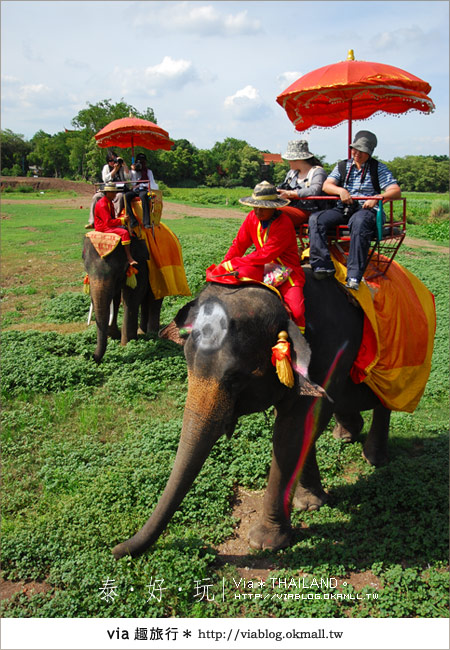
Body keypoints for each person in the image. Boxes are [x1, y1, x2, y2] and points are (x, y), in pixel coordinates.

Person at [308, 130, 401, 290]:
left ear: (369, 153)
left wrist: (377, 198)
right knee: (316, 219)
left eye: (362, 151)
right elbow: (327, 185)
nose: (357, 153)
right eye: (354, 149)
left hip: (366, 211)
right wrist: (341, 191)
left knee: (358, 222)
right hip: (344, 208)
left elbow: (395, 191)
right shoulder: (343, 166)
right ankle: (322, 265)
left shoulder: (378, 168)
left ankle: (354, 276)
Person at [216, 181, 306, 333]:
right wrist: (224, 264)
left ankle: (297, 343)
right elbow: (239, 244)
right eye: (255, 206)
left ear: (273, 207)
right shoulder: (252, 217)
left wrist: (235, 263)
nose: (257, 211)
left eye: (262, 208)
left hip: (287, 270)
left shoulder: (283, 223)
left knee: (297, 311)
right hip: (262, 268)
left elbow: (266, 254)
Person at [276, 140, 328, 227]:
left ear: (298, 159)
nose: (288, 162)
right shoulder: (291, 174)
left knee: (274, 212)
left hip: (309, 209)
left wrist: (290, 194)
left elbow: (314, 191)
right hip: (290, 207)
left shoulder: (317, 171)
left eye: (290, 159)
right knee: (266, 210)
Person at [94, 182, 137, 266]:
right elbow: (108, 222)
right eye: (113, 192)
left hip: (107, 225)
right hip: (103, 227)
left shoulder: (109, 202)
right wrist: (122, 220)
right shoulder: (103, 204)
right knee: (124, 233)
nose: (115, 194)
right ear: (108, 193)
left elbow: (112, 218)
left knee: (127, 229)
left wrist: (122, 219)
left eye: (115, 192)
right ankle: (129, 258)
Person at [85, 151, 130, 229]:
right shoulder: (106, 167)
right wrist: (114, 170)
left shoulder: (122, 167)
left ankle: (115, 220)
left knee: (119, 196)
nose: (113, 162)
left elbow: (128, 177)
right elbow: (105, 179)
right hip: (107, 190)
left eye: (114, 160)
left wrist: (124, 165)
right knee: (96, 196)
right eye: (110, 161)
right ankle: (92, 222)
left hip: (119, 190)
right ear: (107, 162)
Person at [125, 153, 159, 230]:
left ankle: (146, 222)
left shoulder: (148, 172)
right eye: (138, 162)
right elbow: (131, 180)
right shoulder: (133, 171)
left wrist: (141, 185)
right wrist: (132, 170)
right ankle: (133, 220)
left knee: (143, 196)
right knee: (126, 196)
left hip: (143, 189)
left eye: (142, 162)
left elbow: (152, 183)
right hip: (134, 190)